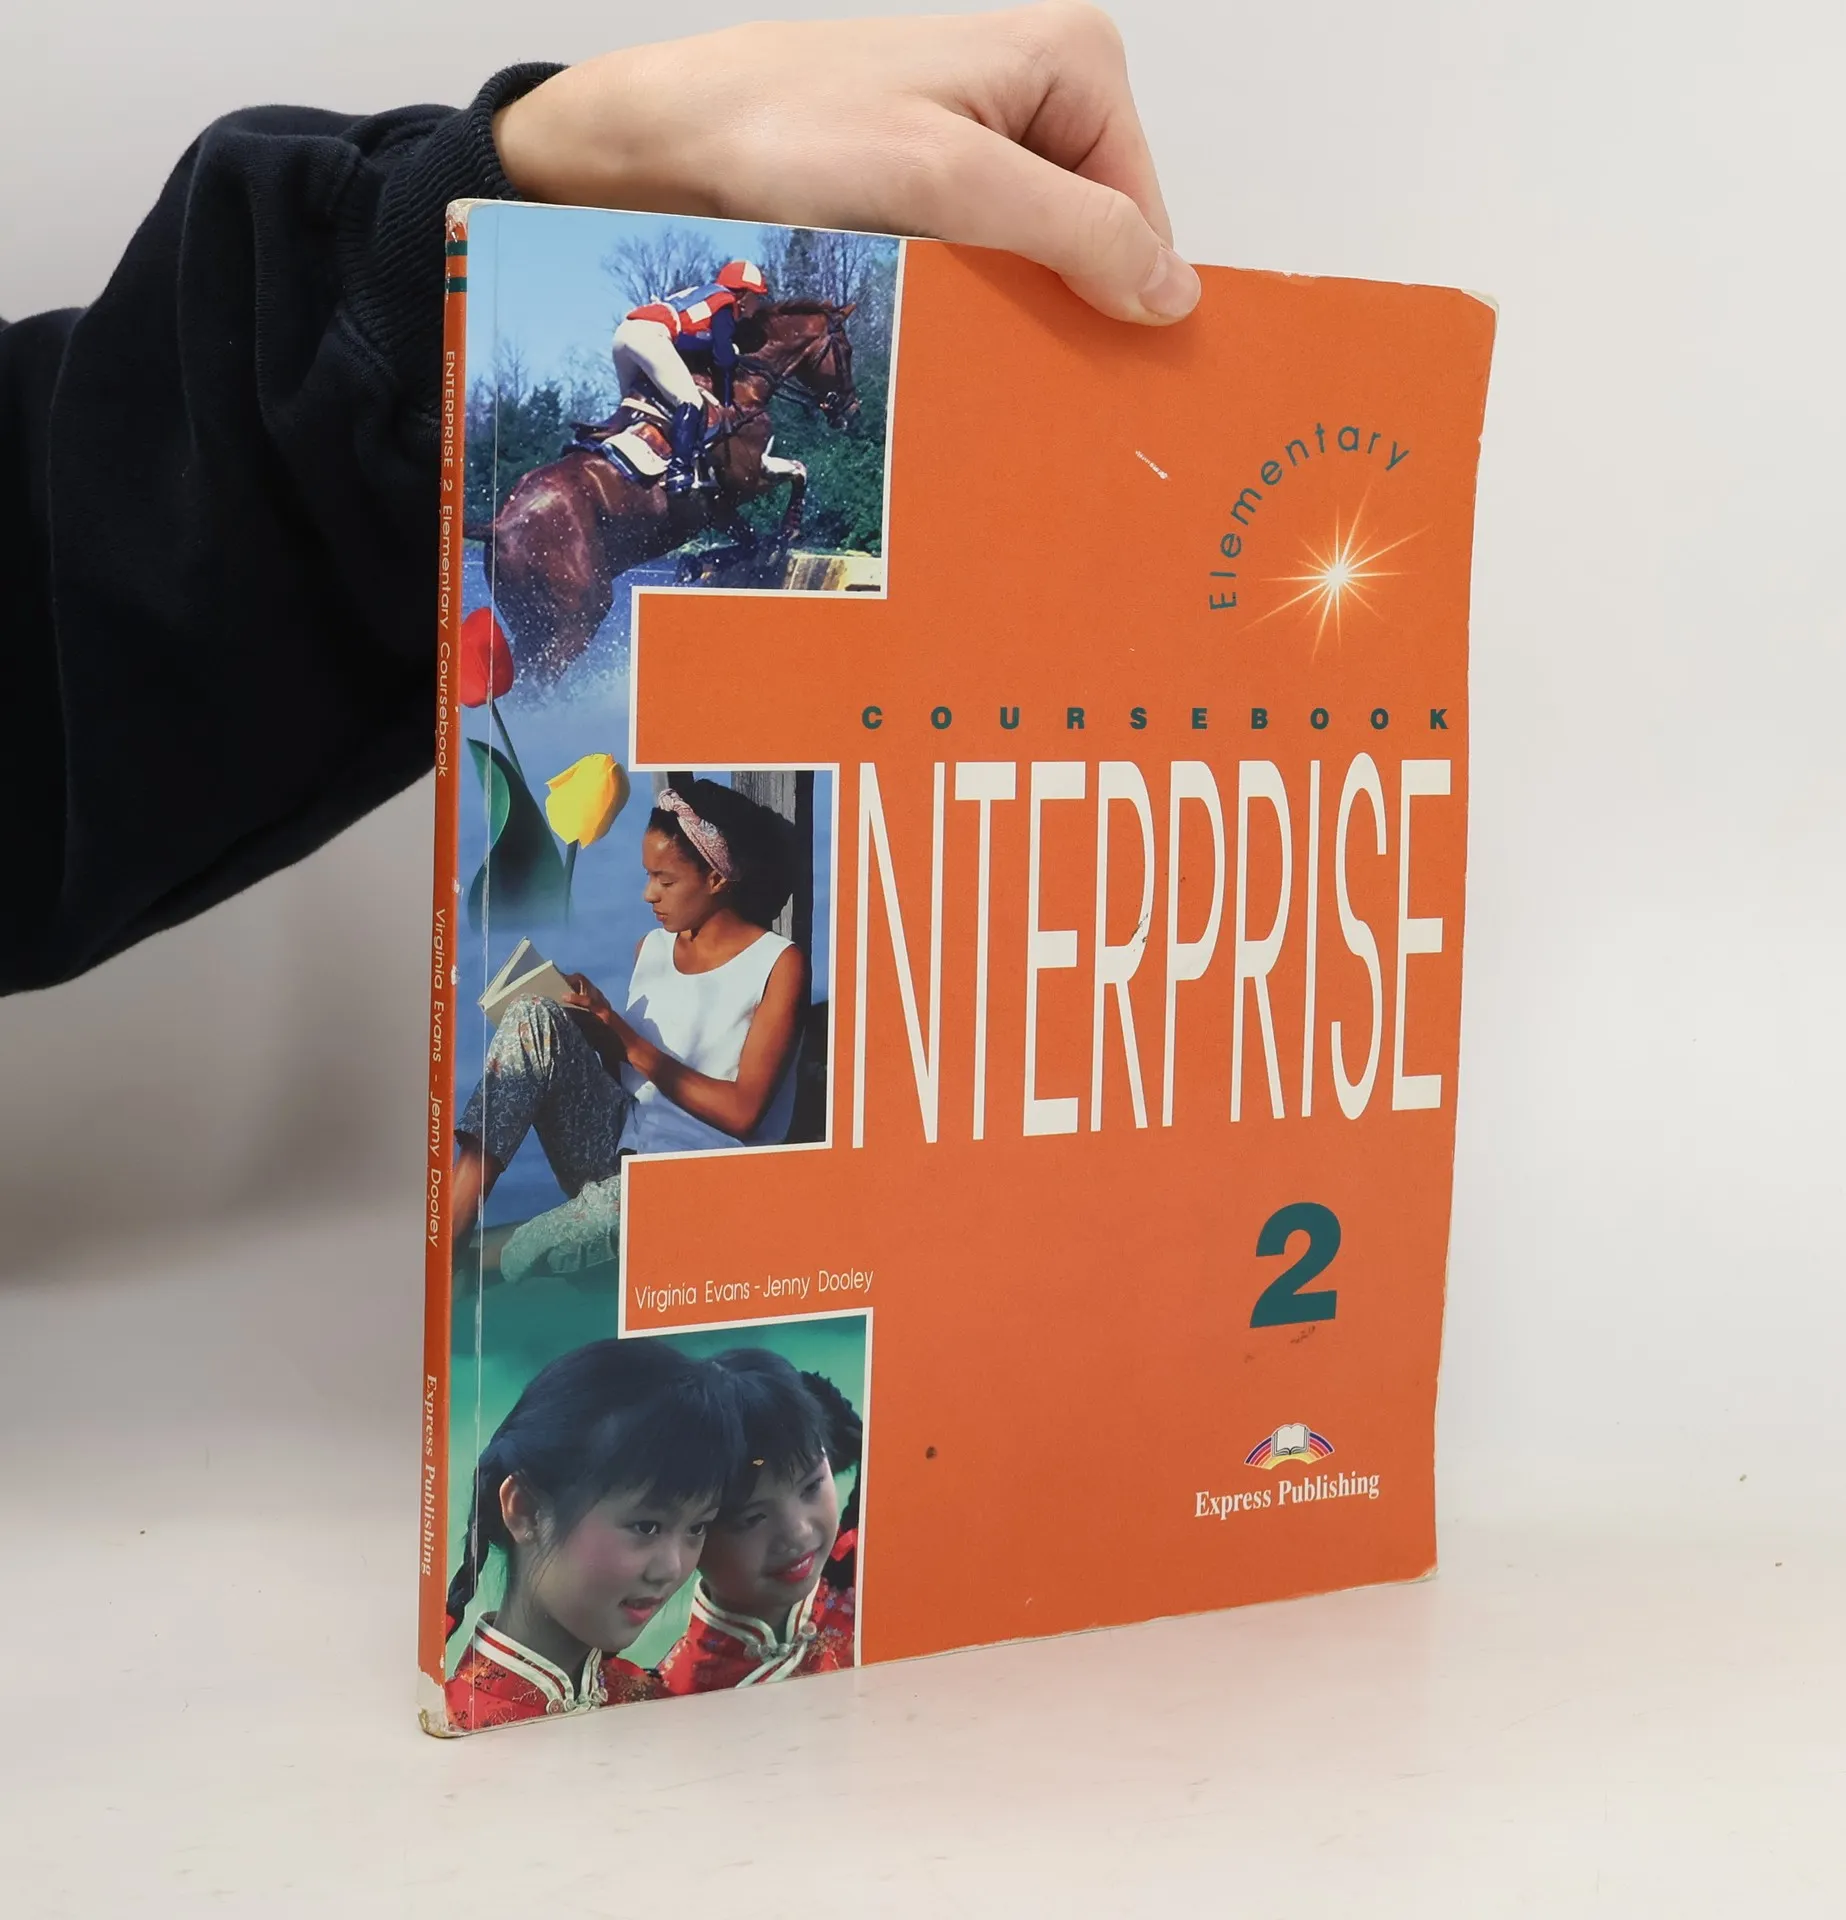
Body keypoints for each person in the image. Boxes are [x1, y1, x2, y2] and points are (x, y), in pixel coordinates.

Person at [2, 5, 1200, 998]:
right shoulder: (719, 308)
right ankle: (684, 474)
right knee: (697, 413)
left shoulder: (731, 313)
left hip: (560, 347)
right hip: (643, 346)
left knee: (696, 412)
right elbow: (705, 360)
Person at [447, 776, 805, 1279]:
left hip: (694, 1184)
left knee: (527, 1249)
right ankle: (453, 1223)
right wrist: (596, 1030)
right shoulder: (651, 950)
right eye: (647, 876)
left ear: (716, 879)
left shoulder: (777, 964)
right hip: (617, 1150)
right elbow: (633, 1084)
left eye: (665, 880)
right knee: (533, 1015)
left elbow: (744, 1114)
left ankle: (477, 1265)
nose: (648, 894)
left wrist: (627, 1039)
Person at [441, 1336, 741, 1731]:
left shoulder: (661, 1707)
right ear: (525, 1510)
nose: (672, 1568)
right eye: (646, 1526)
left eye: (697, 1527)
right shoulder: (453, 1726)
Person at [657, 1347, 864, 1693]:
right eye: (753, 1518)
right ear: (693, 1532)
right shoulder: (674, 1695)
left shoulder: (873, 1573)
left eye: (812, 1486)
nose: (797, 1532)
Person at [607, 258, 772, 493]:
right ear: (744, 295)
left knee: (634, 406)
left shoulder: (702, 294)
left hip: (624, 333)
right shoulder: (725, 303)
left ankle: (604, 451)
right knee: (690, 400)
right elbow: (723, 358)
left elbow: (692, 341)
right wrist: (726, 400)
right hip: (651, 335)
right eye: (757, 297)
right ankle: (679, 470)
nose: (758, 305)